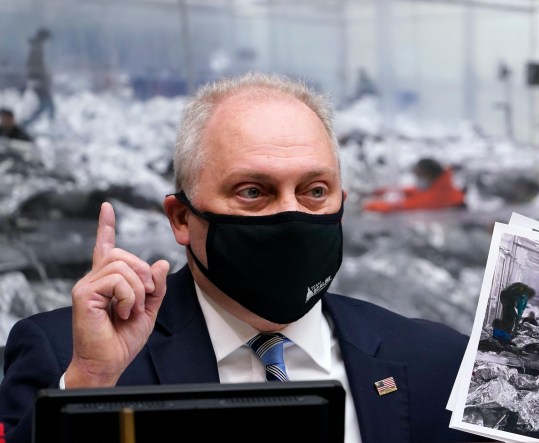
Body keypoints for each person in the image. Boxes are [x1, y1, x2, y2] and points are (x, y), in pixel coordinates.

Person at [0, 72, 487, 443]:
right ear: (181, 219)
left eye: (315, 191)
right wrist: (91, 384)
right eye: (253, 191)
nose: (292, 215)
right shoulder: (71, 359)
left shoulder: (439, 364)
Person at [362, 157, 466, 213]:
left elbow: (401, 207)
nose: (417, 180)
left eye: (419, 176)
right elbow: (414, 191)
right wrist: (378, 192)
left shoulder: (439, 196)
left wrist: (367, 206)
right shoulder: (442, 186)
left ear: (429, 174)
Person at [21, 28, 54, 128]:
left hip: (39, 81)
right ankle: (25, 124)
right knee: (47, 105)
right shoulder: (37, 48)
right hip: (39, 82)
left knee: (47, 105)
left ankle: (26, 124)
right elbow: (33, 66)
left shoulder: (37, 47)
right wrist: (38, 78)